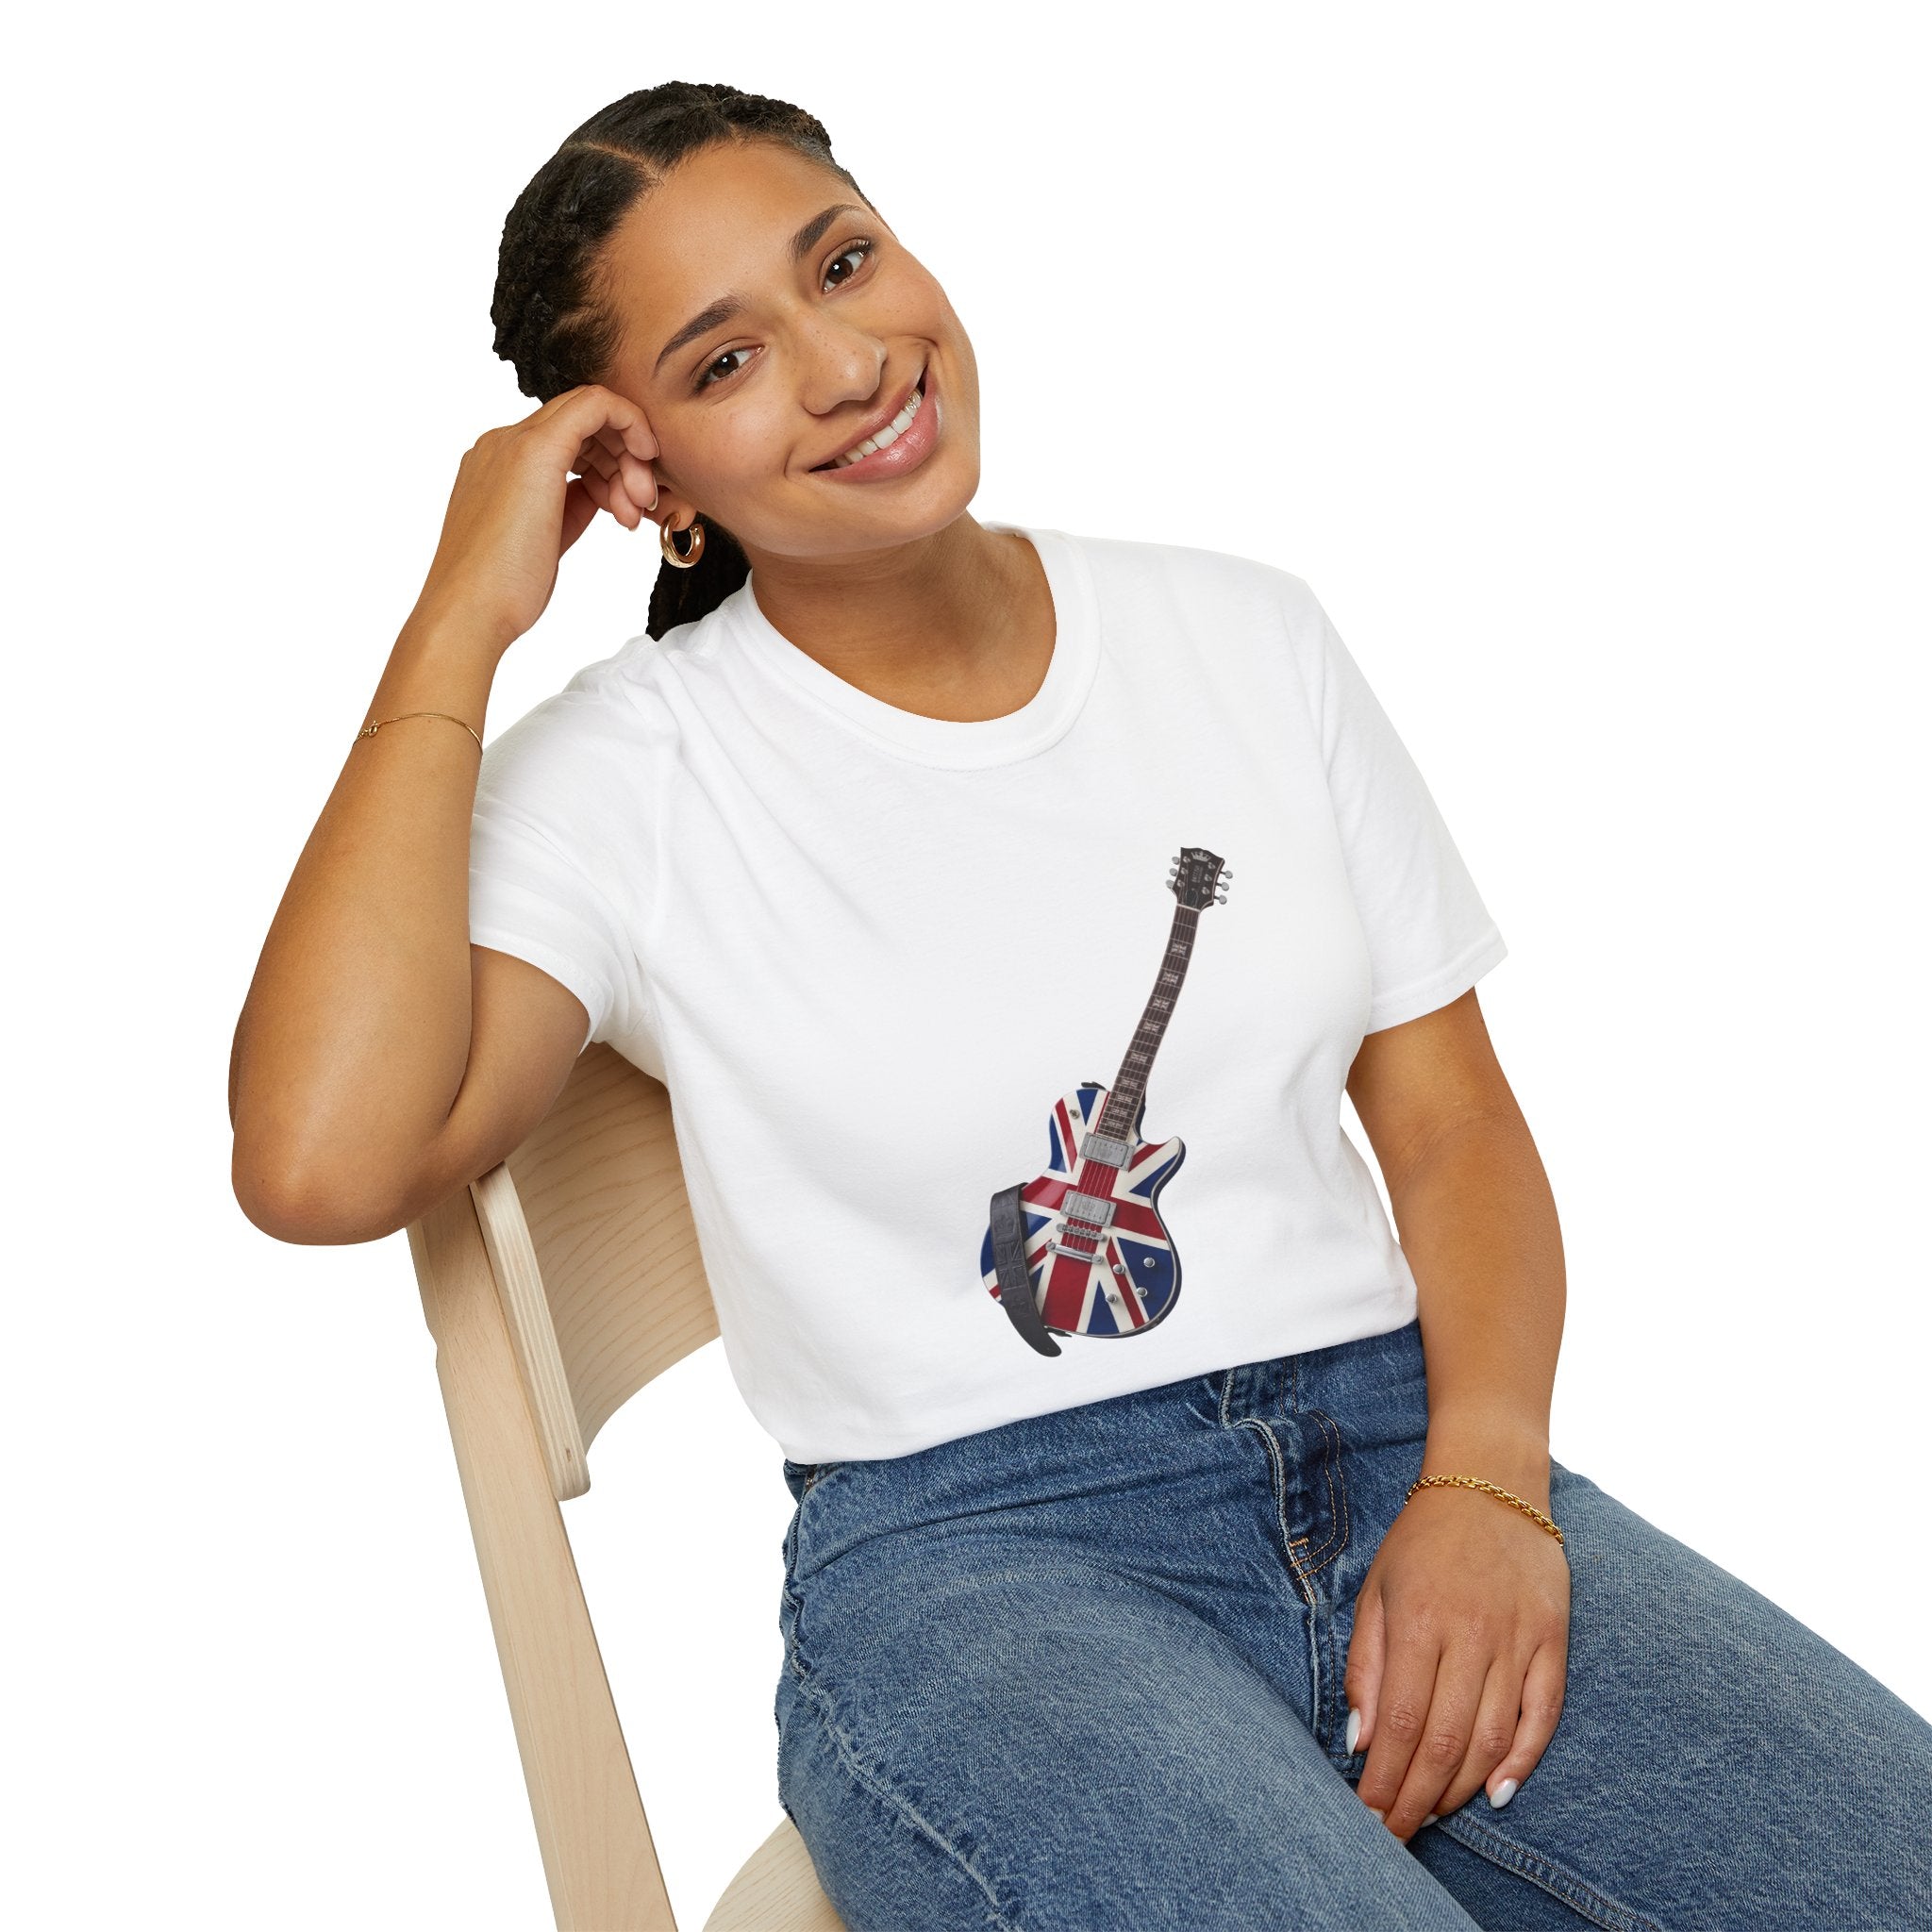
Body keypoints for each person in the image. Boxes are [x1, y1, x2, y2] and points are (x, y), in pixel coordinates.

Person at [228, 81, 1932, 1931]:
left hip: (1400, 1446)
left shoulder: (1245, 634)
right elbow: (320, 1158)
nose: (846, 361)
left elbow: (1447, 1125)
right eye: (725, 362)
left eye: (846, 263)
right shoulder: (630, 774)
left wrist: (1490, 1485)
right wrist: (456, 618)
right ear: (646, 479)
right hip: (979, 1564)